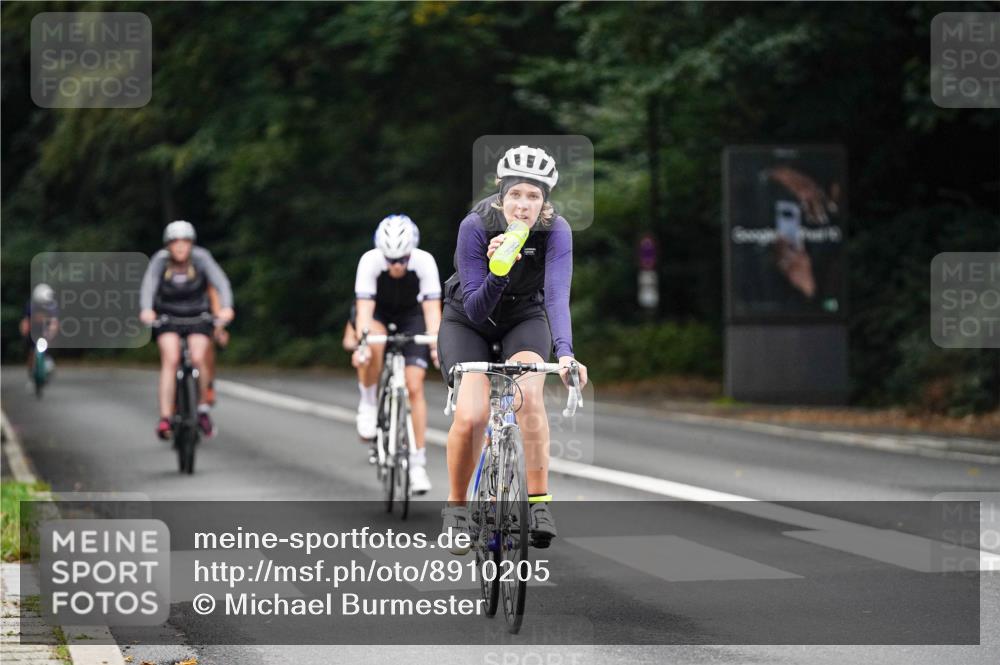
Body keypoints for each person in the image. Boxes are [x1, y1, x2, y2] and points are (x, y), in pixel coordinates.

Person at [437, 145, 588, 552]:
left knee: (529, 399)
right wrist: (500, 268)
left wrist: (567, 352)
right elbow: (476, 306)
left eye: (534, 196)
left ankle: (538, 503)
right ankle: (456, 508)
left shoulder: (556, 230)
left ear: (545, 201)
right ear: (501, 194)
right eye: (516, 194)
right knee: (471, 415)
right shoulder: (475, 225)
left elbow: (556, 296)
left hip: (525, 317)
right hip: (467, 321)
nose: (523, 205)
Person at [352, 214, 441, 495]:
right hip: (378, 313)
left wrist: (436, 344)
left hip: (412, 317)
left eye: (402, 259)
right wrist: (363, 344)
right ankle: (368, 403)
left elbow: (431, 309)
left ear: (410, 252)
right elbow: (364, 310)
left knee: (415, 387)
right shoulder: (369, 261)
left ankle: (417, 464)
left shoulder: (425, 262)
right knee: (373, 347)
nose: (397, 266)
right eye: (391, 261)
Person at [139, 220, 234, 440]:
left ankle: (202, 409)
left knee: (199, 357)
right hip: (168, 317)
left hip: (198, 316)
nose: (180, 247)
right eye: (175, 242)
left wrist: (227, 308)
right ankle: (165, 418)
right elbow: (148, 286)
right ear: (168, 245)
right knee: (170, 359)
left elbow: (221, 283)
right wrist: (146, 310)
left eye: (185, 242)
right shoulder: (160, 262)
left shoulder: (202, 258)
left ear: (191, 244)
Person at [20, 283, 59, 376]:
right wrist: (24, 332)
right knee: (30, 349)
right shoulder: (31, 305)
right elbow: (25, 321)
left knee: (48, 348)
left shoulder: (52, 306)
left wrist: (51, 334)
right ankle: (31, 371)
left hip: (45, 331)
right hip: (33, 331)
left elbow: (55, 323)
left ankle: (48, 362)